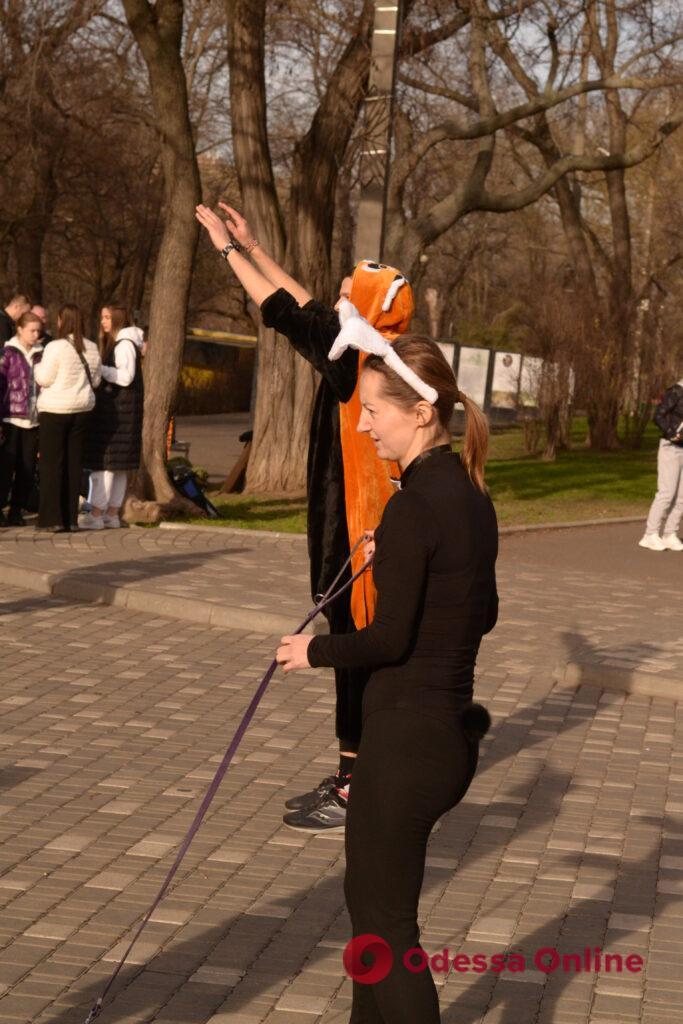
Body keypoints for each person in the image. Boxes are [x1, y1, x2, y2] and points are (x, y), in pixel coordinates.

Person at [276, 324, 498, 1024]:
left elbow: (387, 639)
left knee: (386, 934)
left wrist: (307, 651)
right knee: (372, 925)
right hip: (442, 743)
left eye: (374, 410)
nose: (364, 425)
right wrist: (399, 558)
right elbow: (481, 612)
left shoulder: (412, 505)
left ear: (420, 412)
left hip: (404, 747)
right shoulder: (469, 496)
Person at [196, 201, 414, 831]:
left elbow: (284, 313)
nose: (338, 303)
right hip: (366, 532)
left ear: (369, 308)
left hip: (358, 536)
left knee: (354, 656)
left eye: (351, 296)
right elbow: (312, 308)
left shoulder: (357, 356)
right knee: (357, 656)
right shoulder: (374, 344)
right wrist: (256, 247)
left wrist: (226, 250)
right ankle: (356, 772)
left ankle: (358, 785)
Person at [34, 304, 101, 532]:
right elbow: (98, 381)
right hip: (82, 411)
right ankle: (70, 519)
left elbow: (44, 377)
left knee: (52, 465)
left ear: (63, 321)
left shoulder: (56, 346)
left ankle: (51, 519)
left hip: (56, 410)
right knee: (74, 465)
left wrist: (36, 368)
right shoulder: (92, 347)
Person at [79, 304, 144, 530]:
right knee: (117, 467)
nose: (103, 322)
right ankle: (111, 515)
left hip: (116, 413)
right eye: (102, 317)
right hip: (124, 414)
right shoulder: (126, 344)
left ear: (117, 319)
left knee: (104, 465)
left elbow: (126, 377)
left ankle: (97, 514)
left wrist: (100, 369)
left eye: (107, 317)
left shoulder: (124, 345)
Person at [0, 311, 43, 526]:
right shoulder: (8, 353)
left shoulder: (41, 353)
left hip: (33, 420)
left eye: (38, 330)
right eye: (31, 330)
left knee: (27, 467)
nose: (36, 335)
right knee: (6, 466)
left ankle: (17, 508)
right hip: (11, 418)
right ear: (19, 329)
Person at [640, 376, 683, 551]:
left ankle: (670, 534)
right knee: (667, 492)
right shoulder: (676, 392)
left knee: (682, 497)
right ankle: (650, 534)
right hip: (670, 447)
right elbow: (658, 415)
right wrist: (672, 432)